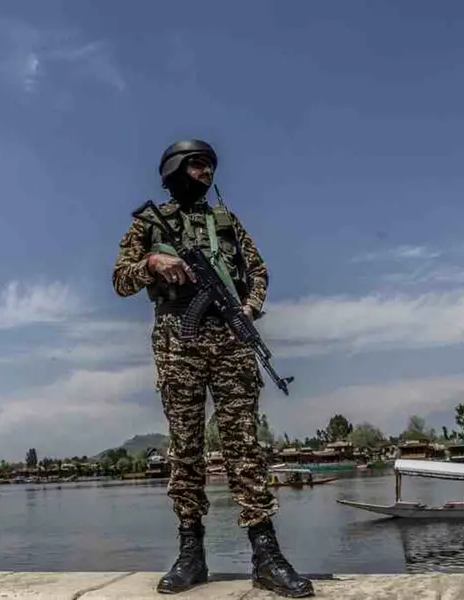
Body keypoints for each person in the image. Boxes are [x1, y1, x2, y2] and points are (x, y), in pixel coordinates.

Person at [113, 139, 313, 598]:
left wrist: (248, 307)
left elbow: (258, 270)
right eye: (198, 165)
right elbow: (120, 279)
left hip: (229, 338)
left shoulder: (226, 221)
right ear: (176, 169)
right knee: (185, 447)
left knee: (244, 444)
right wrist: (152, 261)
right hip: (176, 340)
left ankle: (266, 553)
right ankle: (191, 553)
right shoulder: (148, 223)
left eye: (209, 166)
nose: (206, 173)